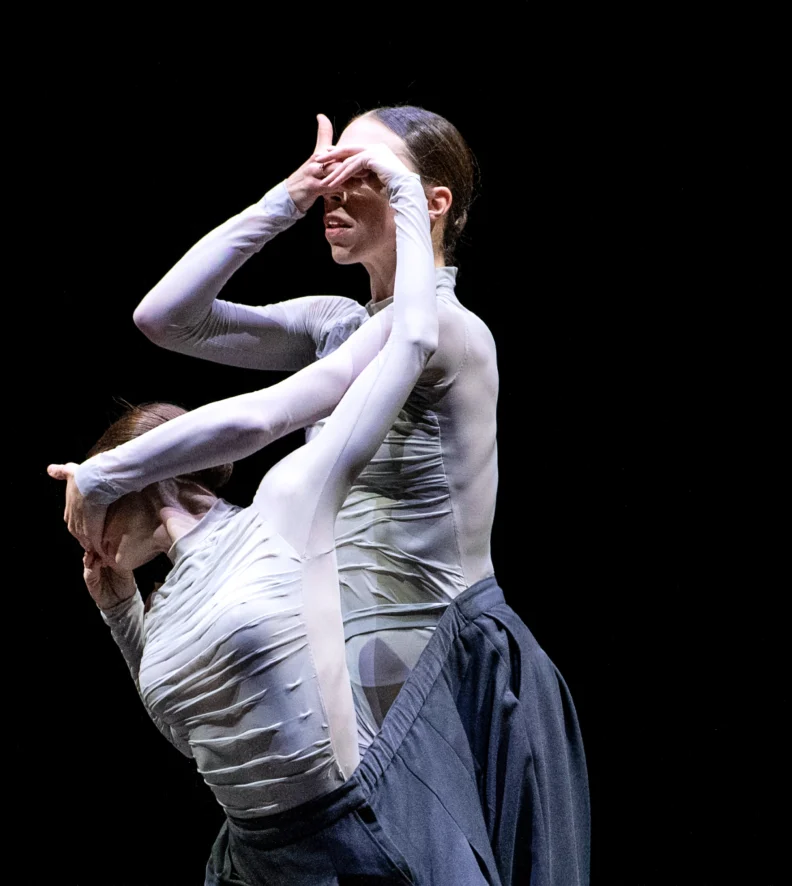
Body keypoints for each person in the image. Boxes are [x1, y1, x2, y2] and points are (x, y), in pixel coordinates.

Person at [101, 105, 590, 885]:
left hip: (438, 650)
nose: (336, 193)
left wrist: (105, 476)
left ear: (427, 201)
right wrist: (285, 199)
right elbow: (164, 318)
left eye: (361, 177)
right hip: (345, 649)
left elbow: (268, 414)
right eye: (331, 177)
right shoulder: (336, 324)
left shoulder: (453, 330)